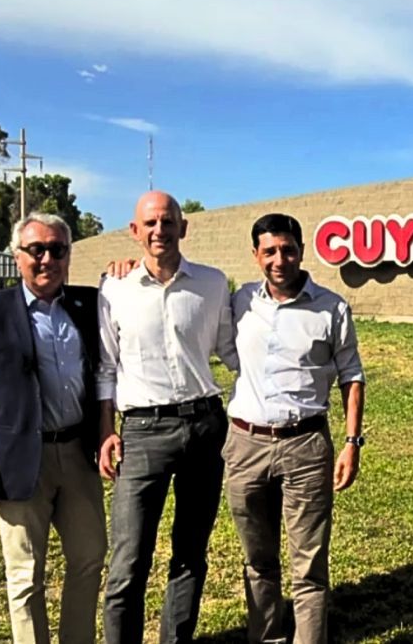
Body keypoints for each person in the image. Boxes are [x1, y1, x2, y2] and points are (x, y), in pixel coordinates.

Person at [0, 212, 107, 644]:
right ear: (18, 256)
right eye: (37, 250)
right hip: (17, 461)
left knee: (90, 558)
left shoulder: (88, 304)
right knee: (24, 575)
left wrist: (127, 268)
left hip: (78, 452)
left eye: (58, 249)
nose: (48, 258)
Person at [97, 190, 238, 643]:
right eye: (151, 223)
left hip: (205, 427)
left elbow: (232, 352)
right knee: (128, 561)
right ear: (135, 232)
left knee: (191, 554)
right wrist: (106, 431)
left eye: (169, 221)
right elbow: (105, 367)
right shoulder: (113, 288)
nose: (161, 230)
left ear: (184, 227)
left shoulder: (213, 284)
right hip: (142, 432)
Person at [225, 213, 365, 643]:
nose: (279, 259)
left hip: (306, 445)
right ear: (256, 255)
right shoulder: (239, 301)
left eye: (288, 249)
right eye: (269, 251)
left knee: (308, 565)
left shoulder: (331, 307)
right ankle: (265, 637)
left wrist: (352, 442)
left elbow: (352, 376)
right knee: (258, 560)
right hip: (245, 445)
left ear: (301, 251)